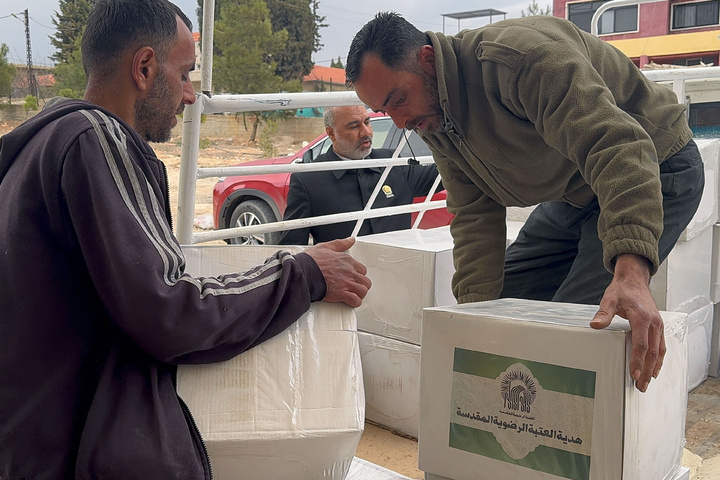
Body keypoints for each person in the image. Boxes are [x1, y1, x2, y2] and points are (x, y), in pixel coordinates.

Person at [0, 0, 371, 478]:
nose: (191, 95)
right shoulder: (96, 140)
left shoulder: (38, 145)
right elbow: (170, 310)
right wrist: (304, 273)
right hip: (75, 455)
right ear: (145, 68)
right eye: (184, 74)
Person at [345, 12, 704, 393]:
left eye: (398, 99)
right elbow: (473, 211)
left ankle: (573, 440)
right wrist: (471, 323)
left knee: (571, 328)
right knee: (499, 310)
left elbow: (617, 148)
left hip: (654, 166)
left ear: (428, 60)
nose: (399, 122)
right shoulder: (431, 114)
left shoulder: (518, 60)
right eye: (386, 111)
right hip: (575, 188)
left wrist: (632, 275)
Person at [279, 105, 441, 245]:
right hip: (345, 278)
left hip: (398, 274)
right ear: (331, 133)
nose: (366, 132)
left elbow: (444, 173)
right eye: (353, 126)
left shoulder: (392, 163)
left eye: (367, 122)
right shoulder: (308, 180)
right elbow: (291, 247)